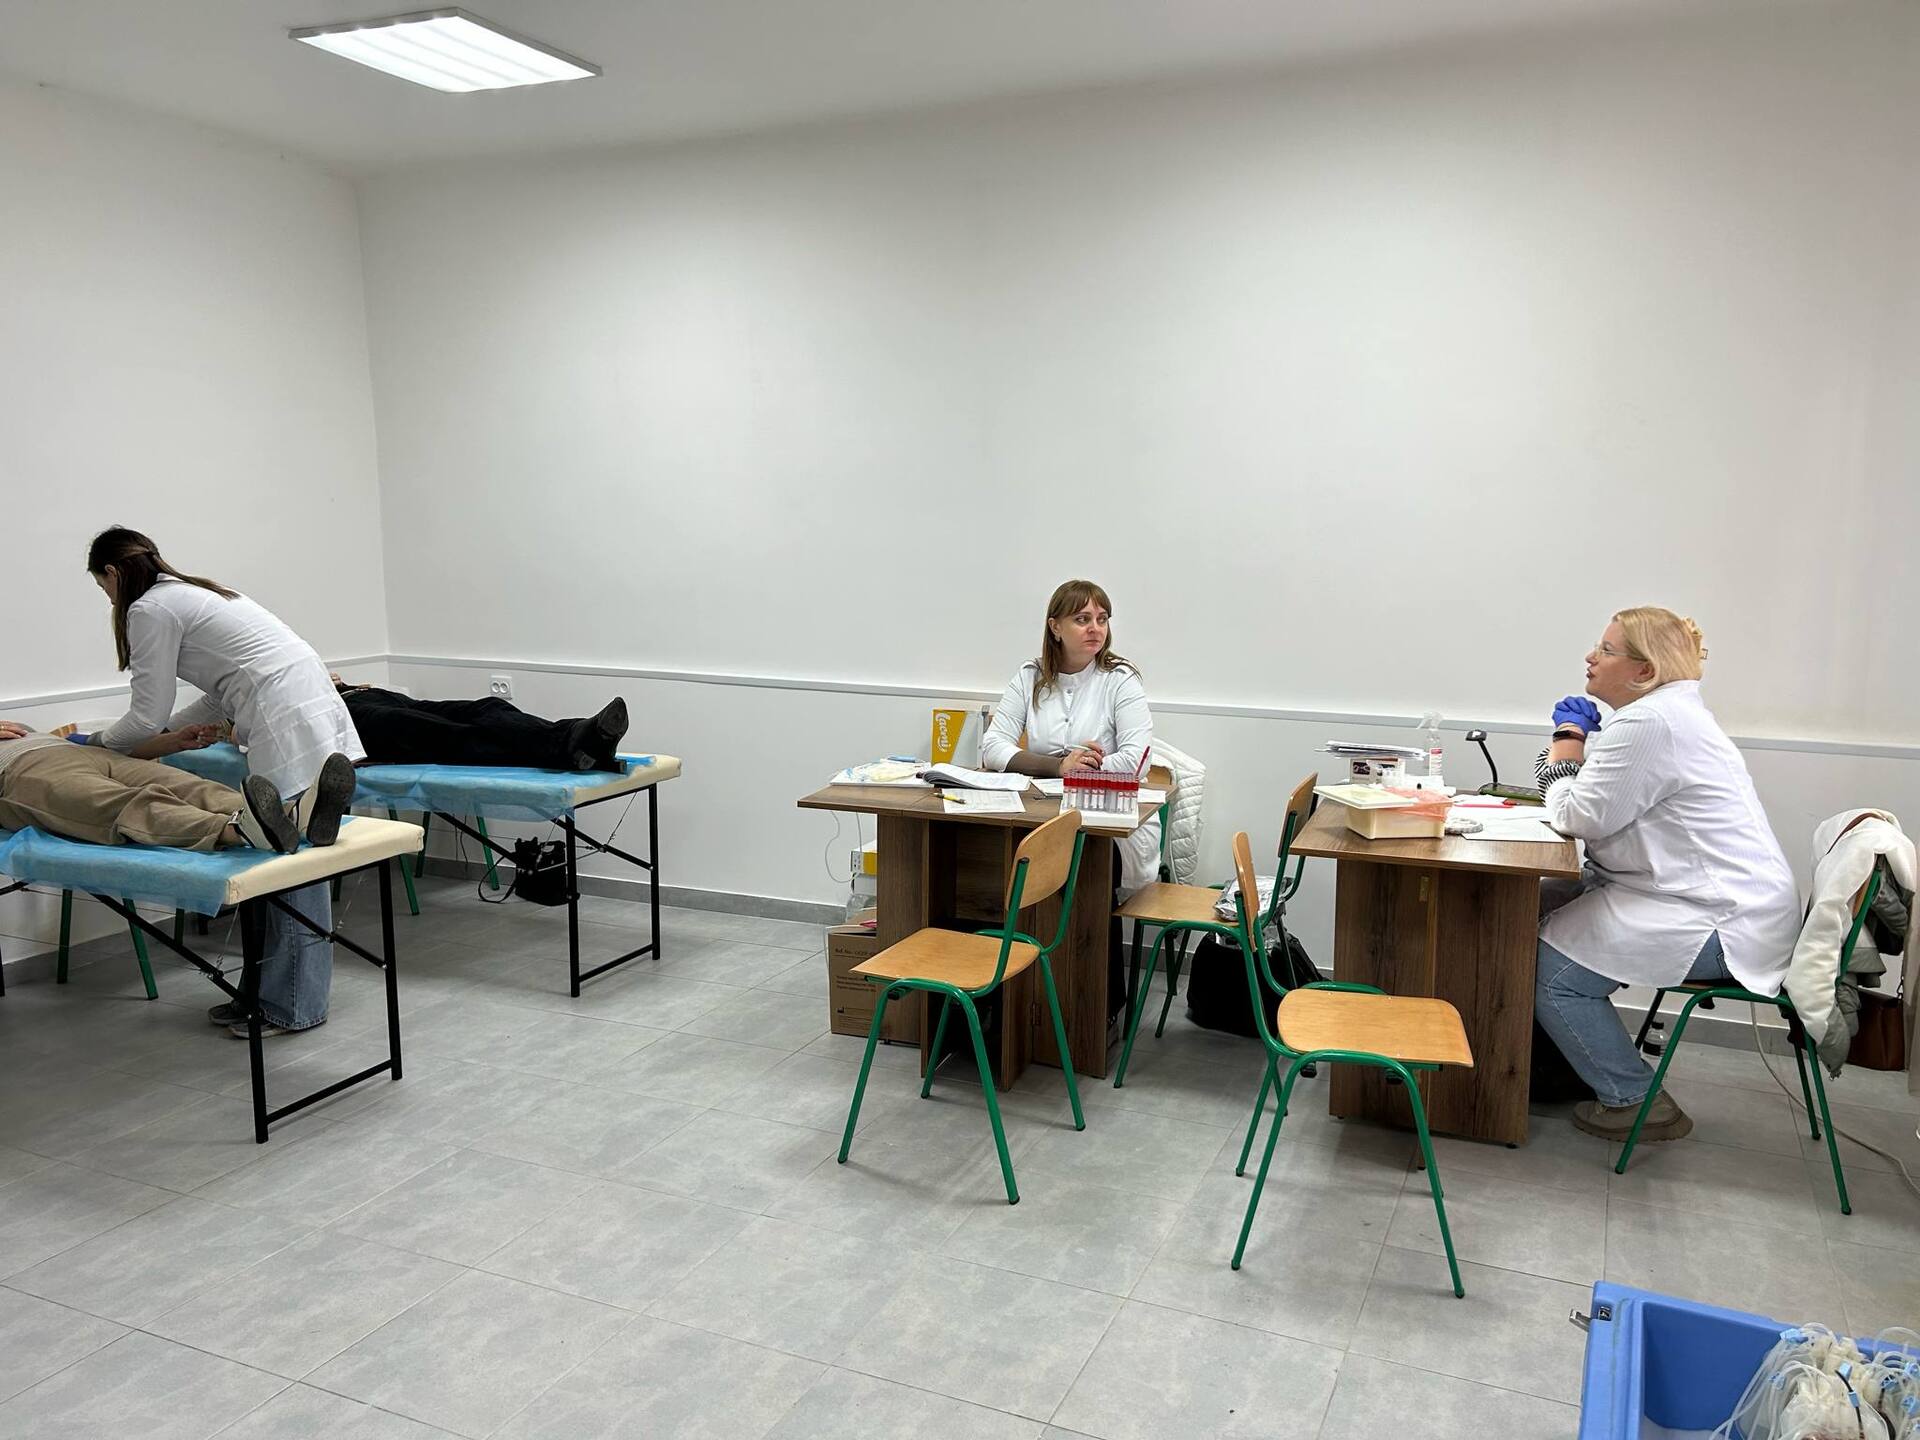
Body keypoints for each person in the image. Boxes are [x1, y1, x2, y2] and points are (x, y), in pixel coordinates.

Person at [1532, 607, 1801, 1142]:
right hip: (1703, 900)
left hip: (1721, 920)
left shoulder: (1652, 722)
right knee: (1534, 905)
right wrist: (1569, 759)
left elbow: (1577, 816)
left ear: (1645, 670)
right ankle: (1551, 1068)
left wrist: (1566, 740)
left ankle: (1635, 1100)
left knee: (1552, 972)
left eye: (1607, 650)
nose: (1591, 657)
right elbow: (1589, 805)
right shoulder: (1663, 715)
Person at [85, 527, 362, 1037]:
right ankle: (263, 993)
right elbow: (222, 688)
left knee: (287, 865)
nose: (107, 598)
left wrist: (97, 742)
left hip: (280, 715)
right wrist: (177, 735)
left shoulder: (149, 609)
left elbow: (144, 717)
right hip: (309, 698)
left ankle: (290, 1006)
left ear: (113, 572)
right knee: (286, 852)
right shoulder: (201, 592)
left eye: (102, 587)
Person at [979, 579, 1160, 900]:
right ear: (1055, 627)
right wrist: (1059, 766)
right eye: (1082, 619)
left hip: (1105, 820)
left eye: (1102, 619)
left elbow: (1137, 762)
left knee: (1077, 866)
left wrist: (1083, 768)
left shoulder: (1121, 679)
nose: (1095, 628)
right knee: (991, 854)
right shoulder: (1030, 676)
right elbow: (992, 747)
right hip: (1038, 812)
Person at [0, 720, 297, 853]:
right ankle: (237, 830)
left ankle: (293, 815)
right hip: (18, 771)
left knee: (187, 785)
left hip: (69, 748)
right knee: (123, 804)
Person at [332, 676, 628, 771]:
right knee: (440, 731)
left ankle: (574, 739)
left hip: (368, 693)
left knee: (488, 707)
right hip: (343, 715)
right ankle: (578, 743)